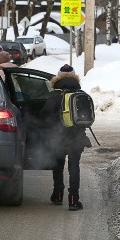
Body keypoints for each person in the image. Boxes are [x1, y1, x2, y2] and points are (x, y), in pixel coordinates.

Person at [39, 64, 91, 211]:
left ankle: (58, 194)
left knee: (58, 166)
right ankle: (74, 200)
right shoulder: (80, 94)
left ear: (58, 77)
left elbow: (45, 115)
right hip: (77, 137)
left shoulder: (55, 95)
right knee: (74, 168)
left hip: (58, 138)